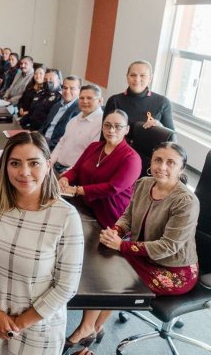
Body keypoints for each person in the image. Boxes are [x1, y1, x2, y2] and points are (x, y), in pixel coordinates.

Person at [66, 143, 199, 353]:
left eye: (170, 162)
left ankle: (90, 327)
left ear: (181, 169)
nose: (162, 166)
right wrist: (116, 231)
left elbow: (169, 246)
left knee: (116, 278)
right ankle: (91, 327)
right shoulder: (145, 183)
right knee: (103, 266)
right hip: (143, 253)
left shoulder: (186, 201)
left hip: (172, 269)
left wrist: (123, 245)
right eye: (158, 160)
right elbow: (128, 215)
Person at [0, 132, 83, 355]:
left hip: (39, 326)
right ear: (5, 166)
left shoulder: (66, 217)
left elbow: (66, 286)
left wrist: (17, 325)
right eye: (15, 163)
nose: (24, 172)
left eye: (34, 163)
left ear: (48, 165)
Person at [58, 110, 142, 229]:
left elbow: (112, 188)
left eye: (117, 126)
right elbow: (76, 170)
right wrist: (65, 178)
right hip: (81, 204)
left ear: (127, 130)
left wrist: (77, 190)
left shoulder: (132, 158)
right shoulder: (94, 147)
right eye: (107, 125)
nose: (111, 130)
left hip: (107, 215)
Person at [104, 60, 174, 141]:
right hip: (120, 150)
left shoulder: (163, 102)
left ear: (150, 78)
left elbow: (171, 139)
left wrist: (161, 128)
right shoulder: (114, 101)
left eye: (143, 76)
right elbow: (104, 134)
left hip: (150, 152)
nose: (137, 79)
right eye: (133, 75)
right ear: (127, 77)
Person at [51, 85, 104, 173]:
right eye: (81, 98)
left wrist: (69, 173)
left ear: (99, 101)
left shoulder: (101, 124)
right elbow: (61, 143)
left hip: (72, 173)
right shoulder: (74, 119)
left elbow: (90, 157)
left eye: (89, 98)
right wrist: (49, 163)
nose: (85, 101)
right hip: (56, 167)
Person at [39, 75, 82, 150]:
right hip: (42, 141)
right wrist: (37, 137)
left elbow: (68, 138)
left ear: (79, 91)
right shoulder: (57, 105)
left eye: (72, 88)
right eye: (65, 88)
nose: (67, 91)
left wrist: (45, 145)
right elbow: (45, 125)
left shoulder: (80, 111)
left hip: (55, 147)